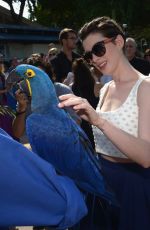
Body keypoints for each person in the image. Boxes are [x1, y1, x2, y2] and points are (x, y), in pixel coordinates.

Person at [58, 16, 150, 230]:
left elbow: (146, 156)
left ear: (118, 42)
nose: (94, 59)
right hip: (102, 182)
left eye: (99, 49)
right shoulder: (106, 88)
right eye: (89, 55)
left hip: (134, 188)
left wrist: (98, 120)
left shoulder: (145, 87)